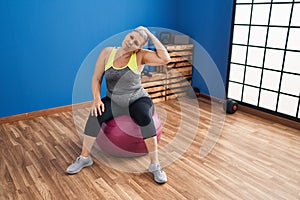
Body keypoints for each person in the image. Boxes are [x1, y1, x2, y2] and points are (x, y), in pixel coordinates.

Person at [66, 26, 171, 184]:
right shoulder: (107, 52)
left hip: (137, 98)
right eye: (130, 37)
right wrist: (96, 99)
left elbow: (165, 59)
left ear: (139, 47)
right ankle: (84, 158)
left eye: (136, 42)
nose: (130, 42)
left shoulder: (141, 56)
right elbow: (96, 78)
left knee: (144, 116)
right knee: (95, 115)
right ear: (126, 35)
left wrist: (149, 34)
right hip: (113, 99)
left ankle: (155, 165)